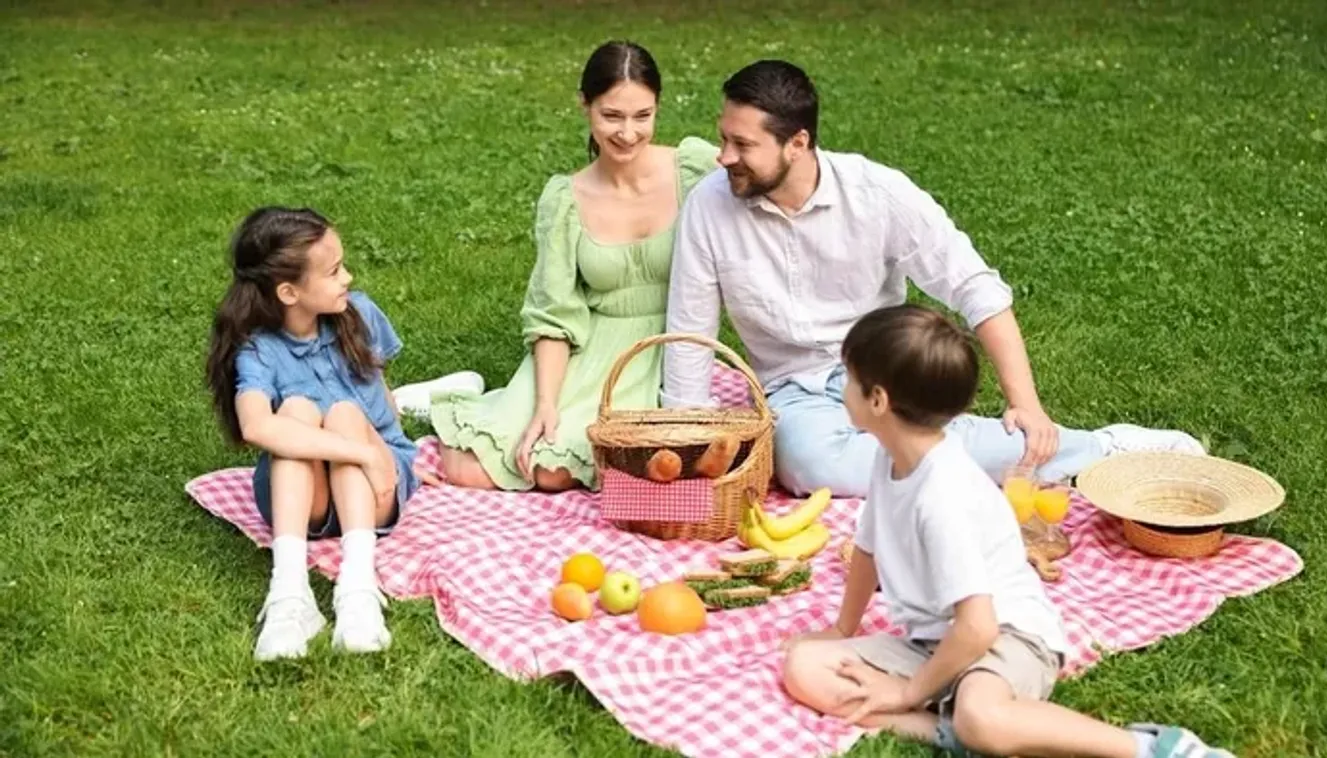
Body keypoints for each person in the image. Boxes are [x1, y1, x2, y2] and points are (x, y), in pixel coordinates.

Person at [661, 59, 1204, 498]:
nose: (725, 156)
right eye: (724, 138)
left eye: (743, 145)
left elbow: (975, 287)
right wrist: (685, 443)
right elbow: (690, 329)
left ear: (798, 143)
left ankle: (1101, 449)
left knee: (882, 447)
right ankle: (979, 452)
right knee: (807, 468)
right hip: (792, 389)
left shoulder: (879, 193)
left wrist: (1028, 405)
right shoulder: (710, 205)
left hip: (885, 370)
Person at [780, 304, 1235, 758]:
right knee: (805, 667)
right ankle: (949, 733)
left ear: (877, 400)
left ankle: (1151, 748)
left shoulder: (941, 496)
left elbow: (978, 628)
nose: (841, 393)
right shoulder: (890, 457)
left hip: (1008, 637)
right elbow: (868, 549)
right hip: (933, 642)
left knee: (982, 715)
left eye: (849, 379)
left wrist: (904, 692)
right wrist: (842, 629)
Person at [425, 40, 721, 491]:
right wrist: (546, 403)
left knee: (612, 469)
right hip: (594, 344)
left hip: (673, 343)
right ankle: (461, 395)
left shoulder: (695, 170)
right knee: (487, 468)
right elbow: (554, 311)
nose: (627, 133)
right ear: (585, 105)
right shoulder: (566, 199)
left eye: (643, 116)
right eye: (611, 116)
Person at [205, 206, 429, 661]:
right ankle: (290, 596)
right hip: (305, 498)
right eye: (333, 271)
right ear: (288, 291)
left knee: (345, 412)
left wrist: (375, 452)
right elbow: (255, 426)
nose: (346, 277)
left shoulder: (359, 314)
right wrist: (357, 452)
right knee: (296, 410)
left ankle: (357, 590)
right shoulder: (259, 349)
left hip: (375, 483)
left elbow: (382, 402)